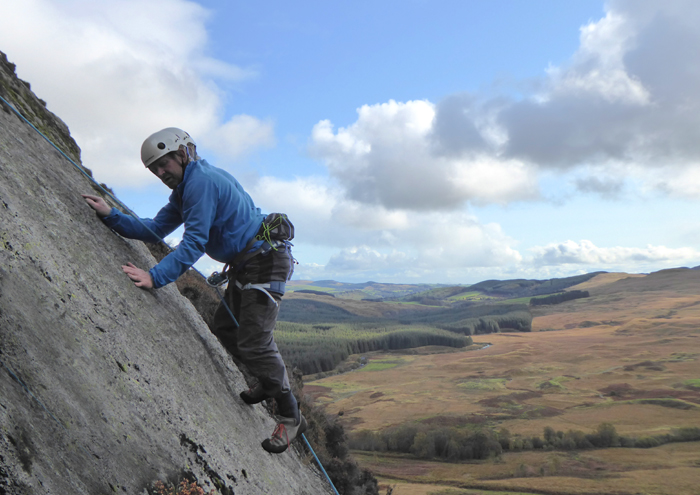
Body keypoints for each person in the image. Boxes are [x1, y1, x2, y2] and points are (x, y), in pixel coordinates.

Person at [82, 127, 305, 454]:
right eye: (154, 169)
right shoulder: (186, 190)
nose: (160, 173)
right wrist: (111, 215)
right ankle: (267, 383)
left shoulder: (201, 182)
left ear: (183, 153)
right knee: (226, 330)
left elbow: (195, 242)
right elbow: (155, 229)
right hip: (249, 263)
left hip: (265, 261)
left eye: (164, 164)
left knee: (255, 340)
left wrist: (154, 277)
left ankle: (290, 414)